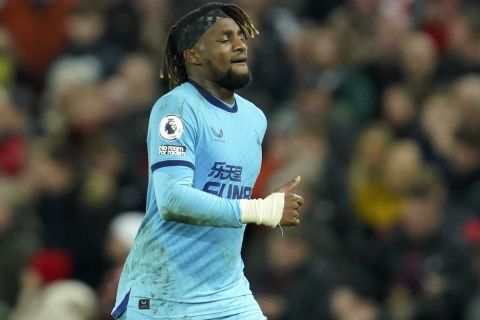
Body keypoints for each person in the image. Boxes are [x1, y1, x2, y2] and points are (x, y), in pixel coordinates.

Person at [112, 3, 304, 319]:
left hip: (227, 292)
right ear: (194, 56)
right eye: (224, 38)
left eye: (241, 36)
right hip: (165, 293)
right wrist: (260, 209)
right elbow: (173, 198)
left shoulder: (255, 119)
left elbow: (226, 195)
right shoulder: (176, 108)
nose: (241, 44)